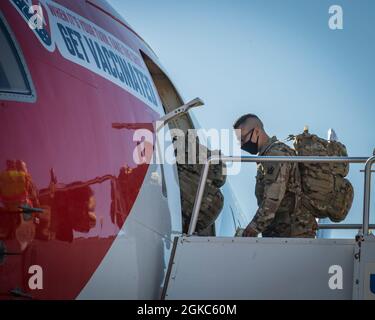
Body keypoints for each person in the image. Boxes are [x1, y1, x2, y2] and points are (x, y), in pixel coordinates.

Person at [233, 114, 317, 238]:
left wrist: (253, 228)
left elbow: (273, 197)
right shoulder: (268, 155)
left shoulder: (275, 154)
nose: (242, 145)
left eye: (243, 139)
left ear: (256, 131)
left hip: (291, 234)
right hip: (284, 232)